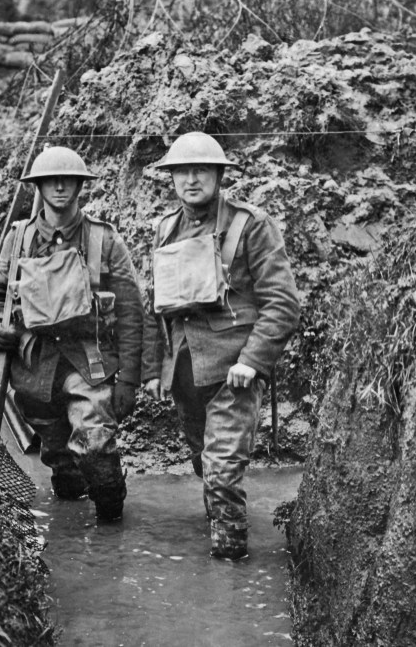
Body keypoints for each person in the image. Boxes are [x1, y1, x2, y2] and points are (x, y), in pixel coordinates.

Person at [142, 132, 300, 560]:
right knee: (204, 463)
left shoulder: (250, 225)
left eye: (201, 171)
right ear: (171, 178)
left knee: (223, 470)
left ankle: (230, 564)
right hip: (186, 374)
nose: (191, 179)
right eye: (182, 172)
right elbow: (157, 307)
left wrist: (252, 361)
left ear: (218, 175)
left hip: (234, 373)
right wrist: (155, 368)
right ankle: (218, 523)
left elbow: (283, 304)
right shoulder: (165, 229)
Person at [0, 146, 143, 522]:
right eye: (50, 180)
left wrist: (130, 381)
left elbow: (132, 313)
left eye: (67, 179)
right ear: (37, 185)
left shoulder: (104, 240)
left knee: (95, 445)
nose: (59, 186)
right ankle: (70, 516)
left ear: (79, 185)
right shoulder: (18, 238)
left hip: (86, 362)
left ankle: (110, 517)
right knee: (61, 464)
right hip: (34, 367)